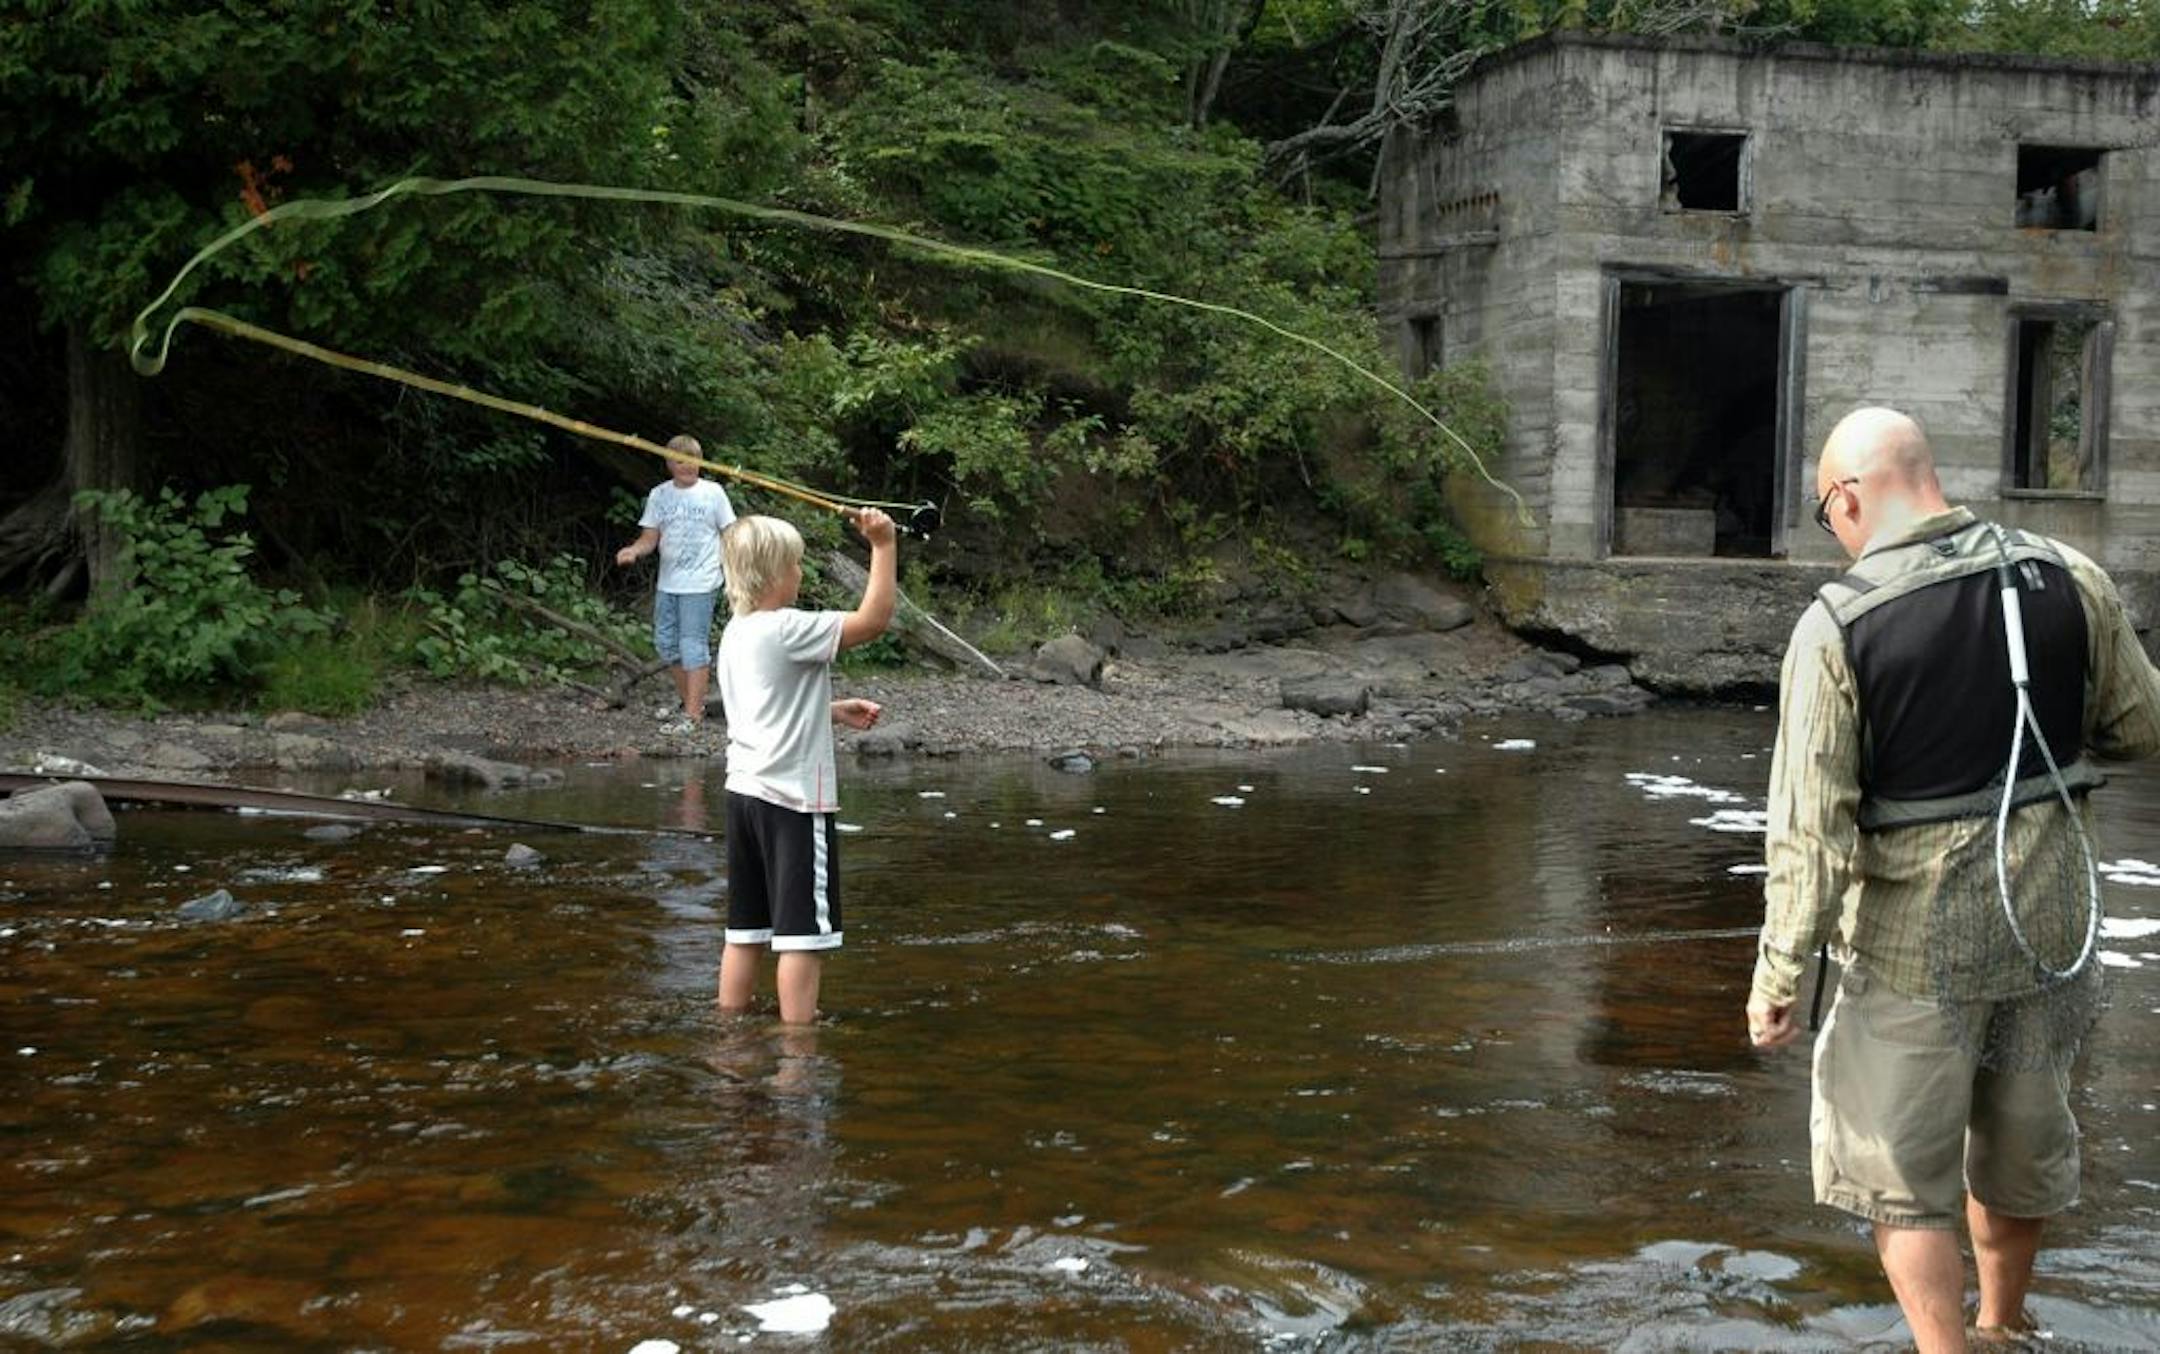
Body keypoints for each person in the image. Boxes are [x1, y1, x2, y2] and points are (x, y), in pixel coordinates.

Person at [1748, 407, 2160, 1351]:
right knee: (2018, 1145)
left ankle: (1946, 1351)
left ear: (1848, 496)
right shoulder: (2069, 575)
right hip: (2051, 925)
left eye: (1825, 512)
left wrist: (1778, 974)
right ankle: (2004, 1327)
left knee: (1899, 1174)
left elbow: (1811, 834)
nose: (1833, 531)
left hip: (1914, 944)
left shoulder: (1837, 624)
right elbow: (2140, 725)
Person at [713, 508, 895, 1024]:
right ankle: (799, 1048)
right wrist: (883, 546)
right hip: (792, 801)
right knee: (802, 937)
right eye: (795, 564)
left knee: (745, 932)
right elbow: (873, 621)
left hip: (744, 797)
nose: (800, 572)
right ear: (774, 575)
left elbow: (766, 704)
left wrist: (830, 711)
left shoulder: (737, 632)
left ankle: (730, 1034)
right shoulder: (787, 627)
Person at [614, 435, 736, 733]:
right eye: (681, 460)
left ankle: (692, 716)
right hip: (669, 582)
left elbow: (731, 534)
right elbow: (649, 538)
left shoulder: (713, 493)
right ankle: (692, 705)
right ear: (669, 463)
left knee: (692, 644)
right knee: (666, 643)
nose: (688, 466)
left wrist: (737, 573)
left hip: (702, 580)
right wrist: (633, 551)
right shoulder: (659, 495)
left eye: (693, 460)